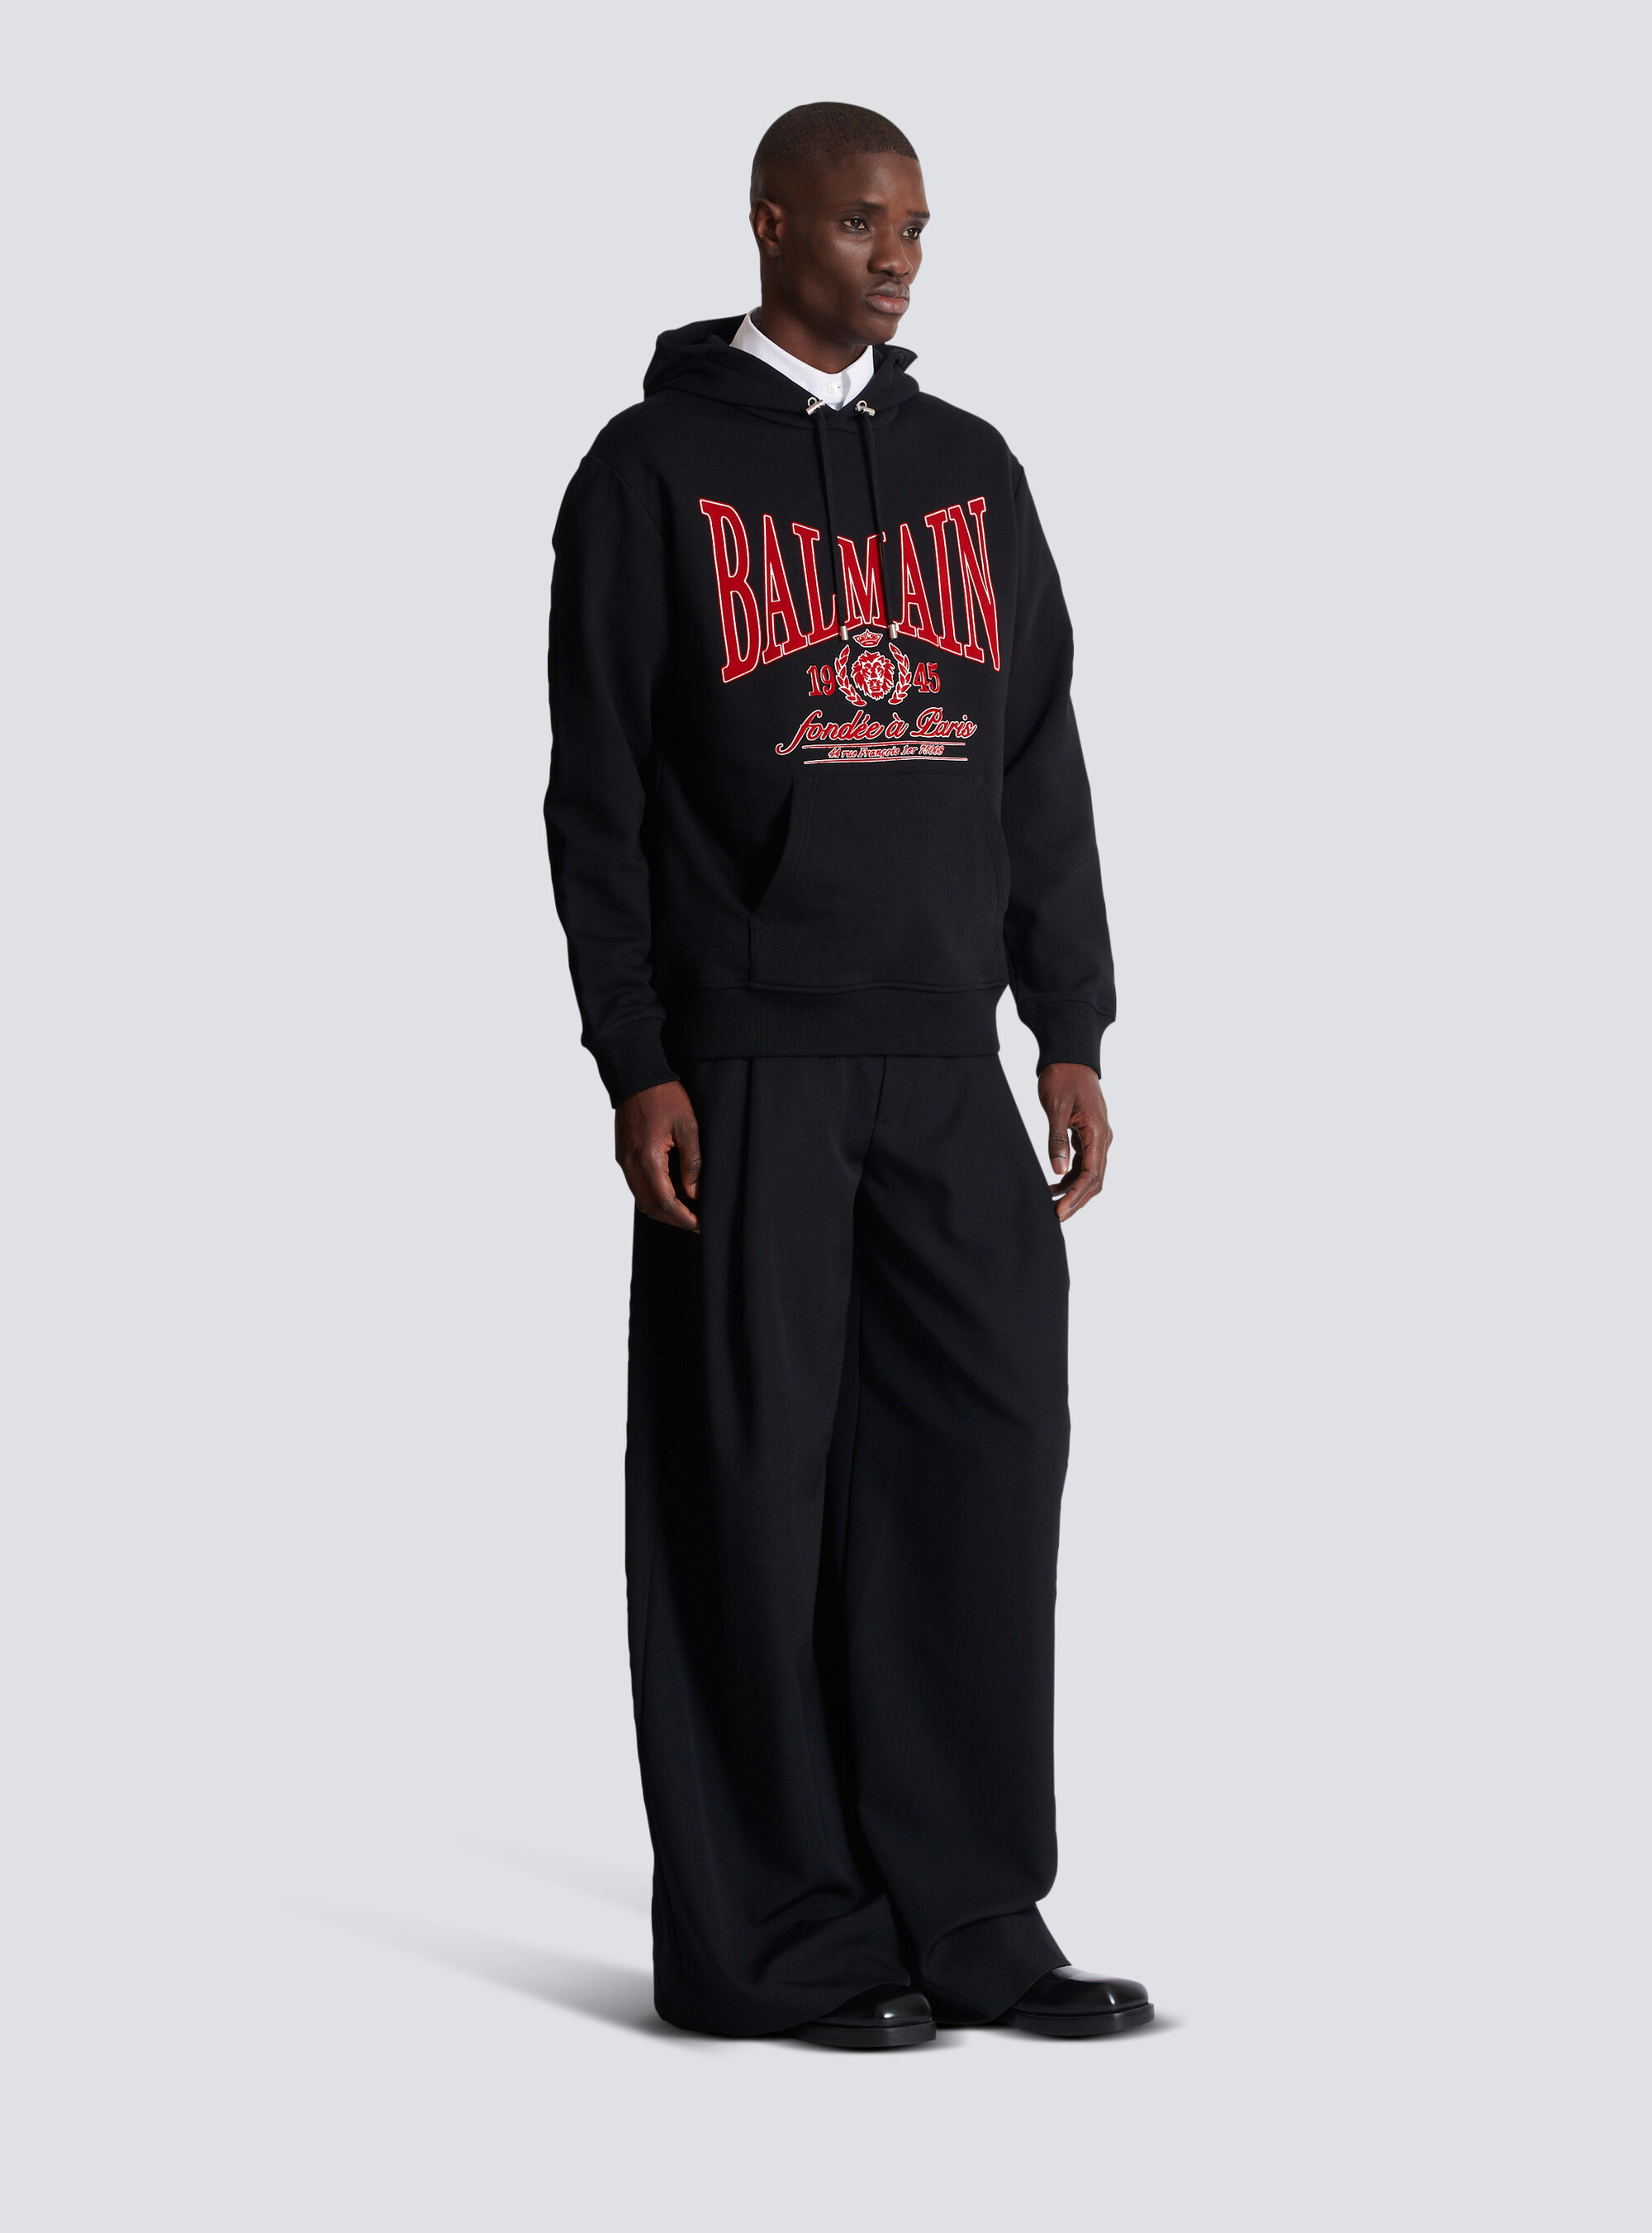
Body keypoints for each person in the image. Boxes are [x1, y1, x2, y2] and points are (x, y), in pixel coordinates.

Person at [545, 101, 1153, 2048]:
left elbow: (1037, 754)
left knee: (980, 1464)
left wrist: (1070, 1019)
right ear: (771, 222)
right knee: (747, 1490)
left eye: (916, 226)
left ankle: (963, 1905)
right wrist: (638, 1054)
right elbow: (597, 790)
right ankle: (775, 1935)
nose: (896, 256)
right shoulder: (650, 470)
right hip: (749, 1062)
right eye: (862, 221)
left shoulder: (969, 470)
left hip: (945, 1053)